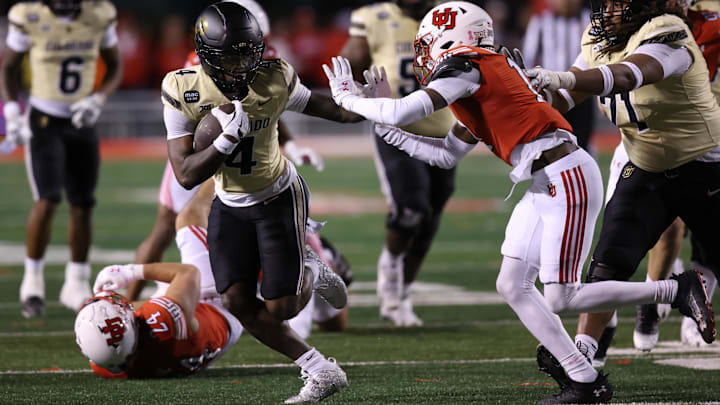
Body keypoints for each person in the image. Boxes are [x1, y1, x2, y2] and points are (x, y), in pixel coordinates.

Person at [323, 1, 714, 403]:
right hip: (547, 180)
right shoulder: (477, 76)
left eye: (429, 42)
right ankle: (582, 379)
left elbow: (404, 108)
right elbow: (444, 154)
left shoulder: (467, 66)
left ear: (452, 37)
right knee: (511, 284)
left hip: (567, 177)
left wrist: (347, 98)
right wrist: (382, 125)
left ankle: (674, 289)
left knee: (561, 296)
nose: (424, 54)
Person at [165, 3, 363, 402]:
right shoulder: (182, 89)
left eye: (247, 54)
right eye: (231, 57)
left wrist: (366, 103)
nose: (241, 67)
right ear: (207, 56)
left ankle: (311, 269)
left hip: (277, 196)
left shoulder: (274, 78)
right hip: (229, 201)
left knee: (282, 308)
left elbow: (330, 110)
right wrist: (224, 142)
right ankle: (320, 369)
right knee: (236, 300)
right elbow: (186, 174)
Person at [523, 0, 719, 389]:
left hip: (706, 166)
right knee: (608, 262)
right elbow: (564, 99)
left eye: (620, 3)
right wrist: (521, 96)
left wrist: (561, 78)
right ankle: (584, 356)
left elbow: (629, 75)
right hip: (646, 167)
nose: (609, 11)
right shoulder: (600, 39)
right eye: (607, 2)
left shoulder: (669, 31)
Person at [128, 0, 324, 301]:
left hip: (238, 149)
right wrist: (219, 143)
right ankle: (131, 299)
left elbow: (264, 108)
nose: (246, 57)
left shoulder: (256, 59)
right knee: (167, 227)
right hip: (203, 151)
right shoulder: (200, 70)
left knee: (242, 219)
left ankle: (276, 276)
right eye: (238, 48)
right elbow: (207, 116)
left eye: (252, 45)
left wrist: (290, 143)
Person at [591, 0, 720, 361]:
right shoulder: (627, 25)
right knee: (616, 242)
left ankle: (656, 298)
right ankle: (609, 323)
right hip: (640, 138)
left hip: (701, 140)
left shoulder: (690, 24)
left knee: (683, 228)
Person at [0, 0, 123, 318]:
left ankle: (76, 282)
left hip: (83, 120)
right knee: (47, 200)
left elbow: (116, 65)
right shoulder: (29, 16)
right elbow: (8, 66)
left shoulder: (99, 13)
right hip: (44, 120)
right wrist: (12, 108)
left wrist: (99, 98)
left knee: (83, 204)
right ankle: (32, 282)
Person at [339, 0, 457, 327]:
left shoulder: (452, 17)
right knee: (410, 210)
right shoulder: (372, 18)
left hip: (443, 132)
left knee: (429, 219)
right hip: (396, 130)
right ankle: (390, 268)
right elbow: (346, 67)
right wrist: (356, 92)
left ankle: (402, 293)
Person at [74, 180, 243, 378]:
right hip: (219, 308)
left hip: (194, 338)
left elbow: (116, 331)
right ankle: (226, 169)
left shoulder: (106, 364)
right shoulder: (162, 321)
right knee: (189, 216)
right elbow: (187, 274)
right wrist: (129, 272)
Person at [522, 0, 596, 152]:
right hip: (551, 92)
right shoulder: (541, 22)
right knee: (552, 144)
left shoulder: (590, 20)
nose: (567, 3)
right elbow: (528, 58)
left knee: (582, 142)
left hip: (583, 91)